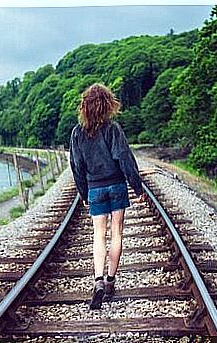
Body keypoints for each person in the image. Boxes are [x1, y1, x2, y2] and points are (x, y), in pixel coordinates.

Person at [69, 83, 146, 310]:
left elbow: (77, 167)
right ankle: (111, 280)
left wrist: (84, 193)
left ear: (85, 106)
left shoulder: (77, 133)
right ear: (107, 104)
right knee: (117, 234)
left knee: (99, 236)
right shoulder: (113, 129)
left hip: (95, 189)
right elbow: (125, 159)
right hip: (116, 186)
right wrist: (138, 188)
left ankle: (97, 280)